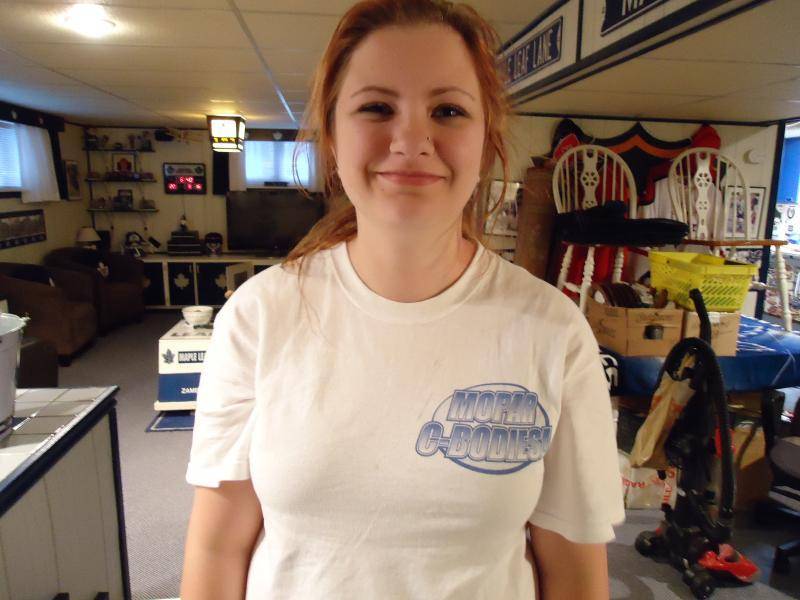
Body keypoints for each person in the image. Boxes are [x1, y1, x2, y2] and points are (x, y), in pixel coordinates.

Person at [180, 1, 624, 598]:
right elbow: (217, 549)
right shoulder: (259, 316)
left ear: (486, 141)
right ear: (333, 136)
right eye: (376, 108)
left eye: (448, 111)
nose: (412, 140)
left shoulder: (552, 330)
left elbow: (573, 572)